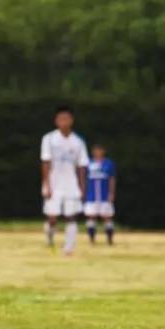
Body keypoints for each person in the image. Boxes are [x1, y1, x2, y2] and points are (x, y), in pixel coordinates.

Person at [40, 106, 89, 255]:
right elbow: (45, 162)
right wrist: (47, 185)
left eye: (67, 119)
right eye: (61, 119)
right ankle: (50, 236)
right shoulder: (49, 139)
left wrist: (82, 186)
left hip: (71, 183)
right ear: (56, 121)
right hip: (54, 182)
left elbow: (82, 166)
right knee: (52, 216)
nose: (64, 122)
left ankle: (69, 247)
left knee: (71, 215)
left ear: (72, 121)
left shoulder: (78, 141)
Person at [84, 144, 116, 246]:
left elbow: (112, 179)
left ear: (103, 151)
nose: (97, 152)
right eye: (95, 150)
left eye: (100, 150)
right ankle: (92, 240)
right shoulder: (88, 163)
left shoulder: (108, 164)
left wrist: (111, 193)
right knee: (91, 217)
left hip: (104, 195)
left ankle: (109, 240)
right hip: (91, 195)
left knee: (107, 217)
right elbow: (84, 178)